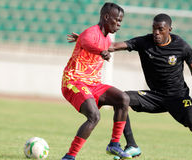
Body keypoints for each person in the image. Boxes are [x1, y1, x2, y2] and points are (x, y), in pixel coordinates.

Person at [68, 13, 192, 160]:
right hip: (154, 96)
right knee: (122, 99)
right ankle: (132, 145)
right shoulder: (144, 42)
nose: (156, 32)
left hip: (178, 97)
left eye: (160, 29)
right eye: (154, 28)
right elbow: (114, 46)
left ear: (169, 30)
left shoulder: (181, 46)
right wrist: (84, 40)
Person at [61, 3, 132, 160]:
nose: (119, 24)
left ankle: (114, 145)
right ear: (106, 17)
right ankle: (69, 157)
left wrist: (138, 44)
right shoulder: (90, 33)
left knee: (123, 99)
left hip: (93, 84)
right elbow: (87, 42)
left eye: (121, 21)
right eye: (117, 20)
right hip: (74, 82)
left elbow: (98, 43)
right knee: (94, 116)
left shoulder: (105, 37)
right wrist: (101, 52)